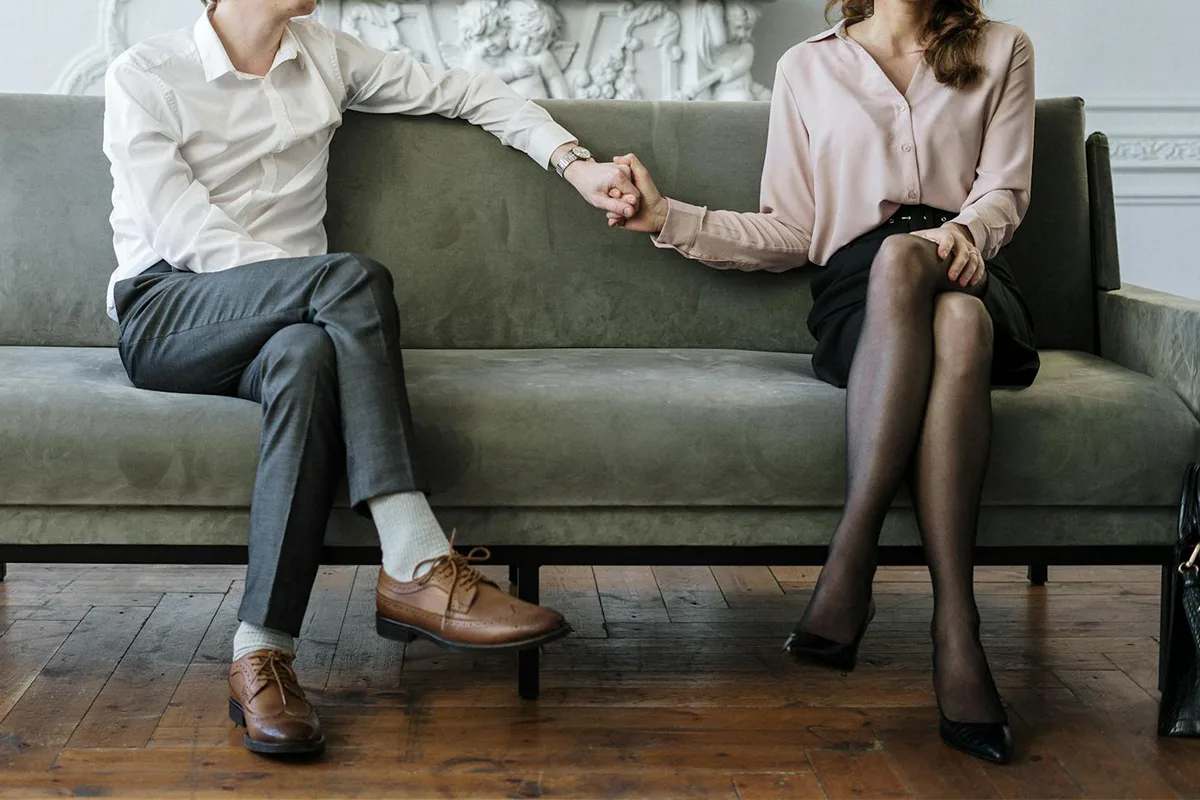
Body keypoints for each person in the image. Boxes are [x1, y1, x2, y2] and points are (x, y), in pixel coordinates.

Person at [102, 0, 640, 757]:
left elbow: (469, 90)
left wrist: (576, 164)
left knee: (308, 356)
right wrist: (313, 283)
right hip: (170, 308)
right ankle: (415, 557)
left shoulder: (326, 55)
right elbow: (183, 231)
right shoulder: (146, 74)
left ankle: (260, 654)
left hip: (298, 323)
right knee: (348, 283)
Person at [609, 0, 1039, 765]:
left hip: (970, 263)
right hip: (862, 296)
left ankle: (852, 560)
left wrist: (964, 232)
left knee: (956, 304)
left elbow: (1004, 187)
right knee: (927, 294)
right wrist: (668, 217)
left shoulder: (1003, 48)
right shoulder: (807, 66)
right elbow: (792, 229)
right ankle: (956, 632)